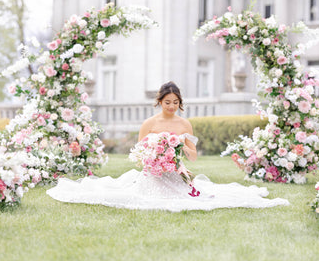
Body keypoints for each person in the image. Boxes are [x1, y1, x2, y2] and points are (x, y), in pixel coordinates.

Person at [46, 82, 289, 212]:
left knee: (190, 197)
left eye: (176, 102)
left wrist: (180, 149)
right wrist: (154, 159)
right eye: (167, 102)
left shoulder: (185, 124)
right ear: (159, 102)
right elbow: (139, 154)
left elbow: (193, 158)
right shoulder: (149, 123)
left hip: (176, 173)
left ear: (180, 103)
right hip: (151, 173)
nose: (171, 106)